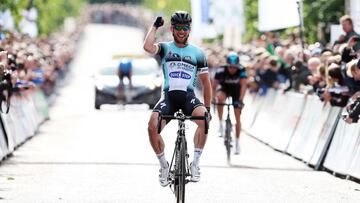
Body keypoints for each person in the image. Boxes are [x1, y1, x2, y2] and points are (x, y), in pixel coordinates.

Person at [143, 11, 212, 187]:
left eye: (185, 28)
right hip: (169, 98)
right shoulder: (165, 48)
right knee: (152, 127)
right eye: (178, 28)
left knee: (204, 119)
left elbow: (206, 83)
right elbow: (148, 47)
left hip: (188, 97)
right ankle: (164, 166)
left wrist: (208, 109)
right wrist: (155, 26)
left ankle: (195, 163)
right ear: (172, 28)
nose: (182, 31)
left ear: (189, 30)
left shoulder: (198, 53)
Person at [212, 52, 247, 154]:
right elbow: (213, 86)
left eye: (234, 67)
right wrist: (213, 98)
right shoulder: (221, 70)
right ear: (227, 65)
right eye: (230, 67)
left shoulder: (241, 70)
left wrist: (240, 100)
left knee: (237, 116)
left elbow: (244, 86)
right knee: (220, 98)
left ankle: (237, 142)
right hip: (224, 89)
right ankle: (220, 123)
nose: (232, 69)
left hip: (236, 91)